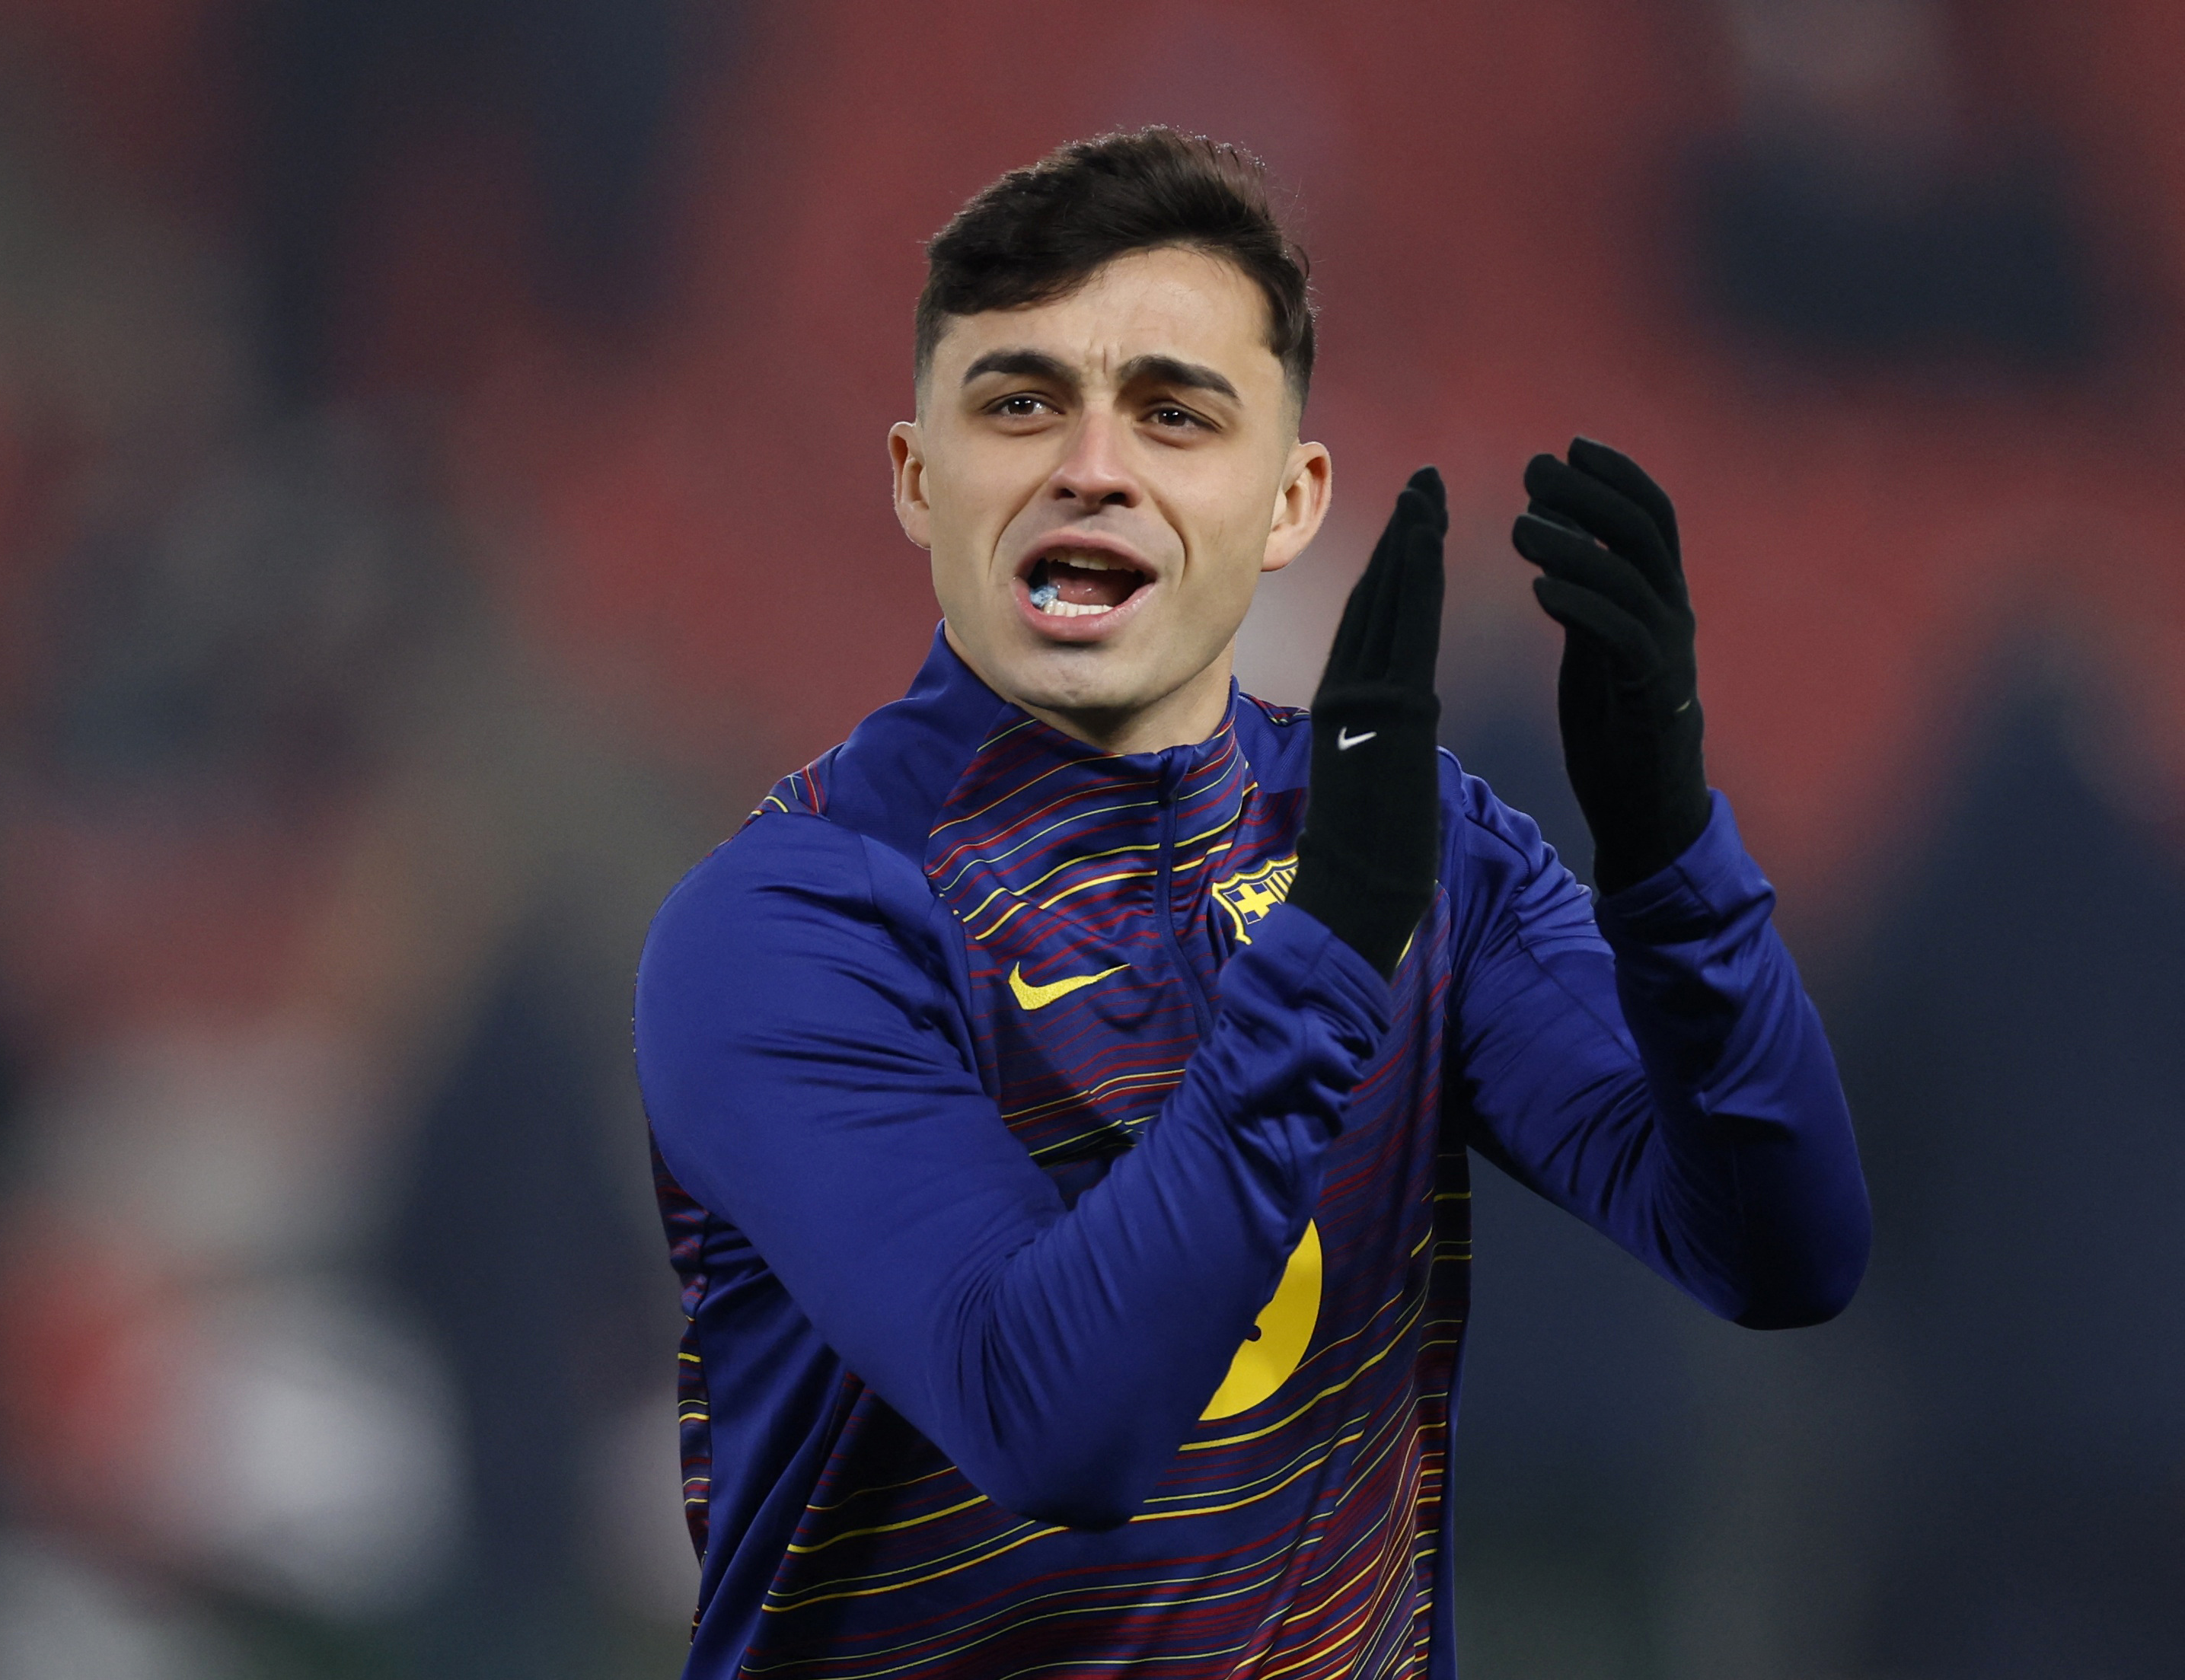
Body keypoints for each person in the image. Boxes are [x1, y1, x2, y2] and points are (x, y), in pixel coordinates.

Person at [633, 129, 1869, 1680]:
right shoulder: (790, 923)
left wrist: (1669, 861)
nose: (1092, 466)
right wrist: (1334, 943)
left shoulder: (1423, 850)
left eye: (1171, 411)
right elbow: (1056, 1420)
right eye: (1019, 402)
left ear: (1289, 502)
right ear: (915, 479)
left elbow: (1778, 1250)